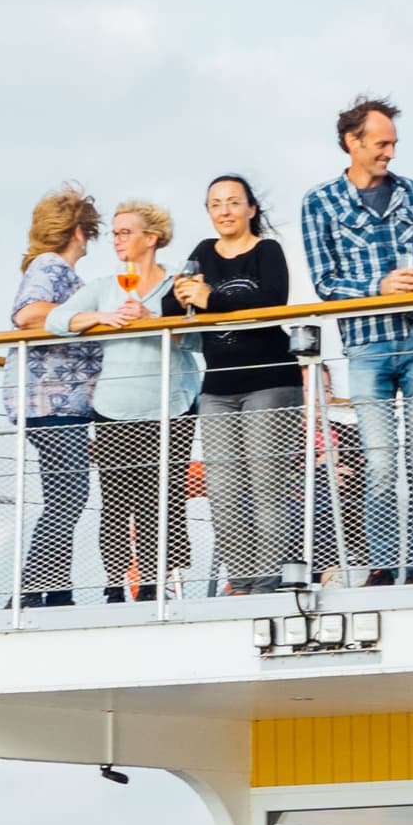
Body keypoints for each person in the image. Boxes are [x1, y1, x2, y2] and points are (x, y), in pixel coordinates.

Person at [295, 95, 413, 583]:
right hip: (366, 345)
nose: (390, 152)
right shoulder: (319, 202)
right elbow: (325, 284)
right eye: (382, 143)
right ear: (353, 142)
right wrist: (379, 289)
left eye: (393, 143)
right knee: (381, 463)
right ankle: (386, 567)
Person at [162, 174, 301, 594]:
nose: (224, 211)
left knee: (266, 483)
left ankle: (268, 580)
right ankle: (239, 581)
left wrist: (211, 299)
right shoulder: (203, 253)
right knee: (223, 489)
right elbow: (171, 305)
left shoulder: (267, 251)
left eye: (233, 202)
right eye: (216, 204)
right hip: (218, 387)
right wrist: (187, 295)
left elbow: (274, 301)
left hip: (270, 381)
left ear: (251, 210)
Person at [84, 200, 199, 601]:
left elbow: (199, 339)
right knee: (115, 501)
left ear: (150, 239)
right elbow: (57, 320)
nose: (116, 240)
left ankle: (154, 585)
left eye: (125, 232)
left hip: (172, 406)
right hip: (114, 407)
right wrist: (102, 318)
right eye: (115, 233)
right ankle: (115, 587)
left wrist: (154, 321)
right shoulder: (103, 287)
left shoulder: (177, 284)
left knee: (162, 499)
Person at [6, 184, 107, 608]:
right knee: (68, 497)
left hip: (59, 403)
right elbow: (28, 315)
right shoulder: (50, 267)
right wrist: (91, 317)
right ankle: (31, 593)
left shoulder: (58, 271)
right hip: (52, 403)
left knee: (64, 496)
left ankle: (56, 590)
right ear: (78, 231)